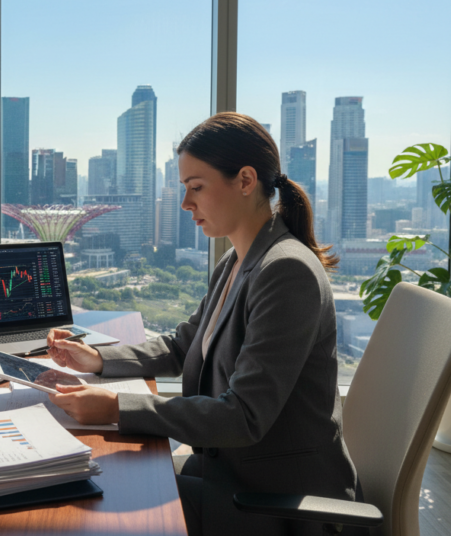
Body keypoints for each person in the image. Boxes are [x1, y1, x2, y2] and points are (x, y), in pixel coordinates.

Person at [46, 112, 360, 536]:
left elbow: (244, 416)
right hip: (232, 476)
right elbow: (184, 345)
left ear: (245, 181)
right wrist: (98, 360)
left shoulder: (287, 272)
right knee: (102, 486)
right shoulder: (239, 258)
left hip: (282, 505)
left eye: (196, 188)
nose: (185, 204)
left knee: (104, 501)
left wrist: (116, 408)